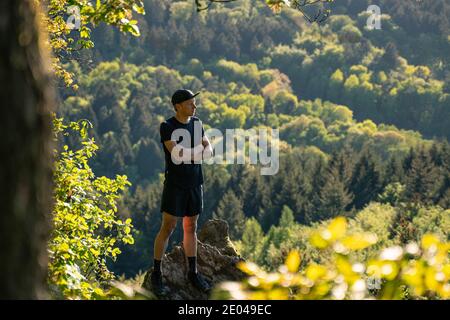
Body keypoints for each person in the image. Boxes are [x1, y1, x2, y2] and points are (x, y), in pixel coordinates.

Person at [150, 89, 213, 296]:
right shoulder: (167, 126)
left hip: (195, 182)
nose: (195, 107)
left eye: (195, 103)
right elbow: (177, 154)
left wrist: (191, 154)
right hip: (175, 184)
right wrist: (197, 153)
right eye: (190, 104)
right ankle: (157, 273)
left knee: (191, 226)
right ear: (178, 106)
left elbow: (209, 151)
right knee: (168, 226)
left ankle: (193, 272)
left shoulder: (197, 124)